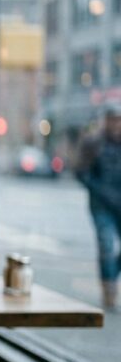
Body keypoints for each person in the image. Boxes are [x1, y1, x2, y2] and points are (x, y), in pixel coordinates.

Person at [75, 105, 121, 310]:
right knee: (106, 245)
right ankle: (109, 289)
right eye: (113, 119)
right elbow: (81, 172)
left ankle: (111, 278)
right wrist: (99, 190)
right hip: (102, 204)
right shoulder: (93, 143)